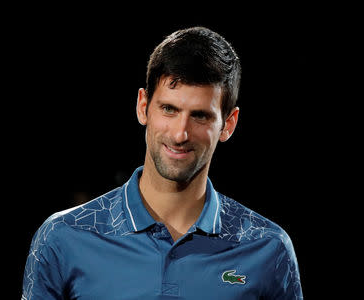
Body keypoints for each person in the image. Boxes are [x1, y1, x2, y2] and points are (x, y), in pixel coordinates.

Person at [22, 26, 303, 299]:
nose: (180, 134)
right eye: (169, 109)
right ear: (143, 106)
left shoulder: (267, 247)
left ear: (228, 124)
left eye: (200, 116)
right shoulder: (63, 237)